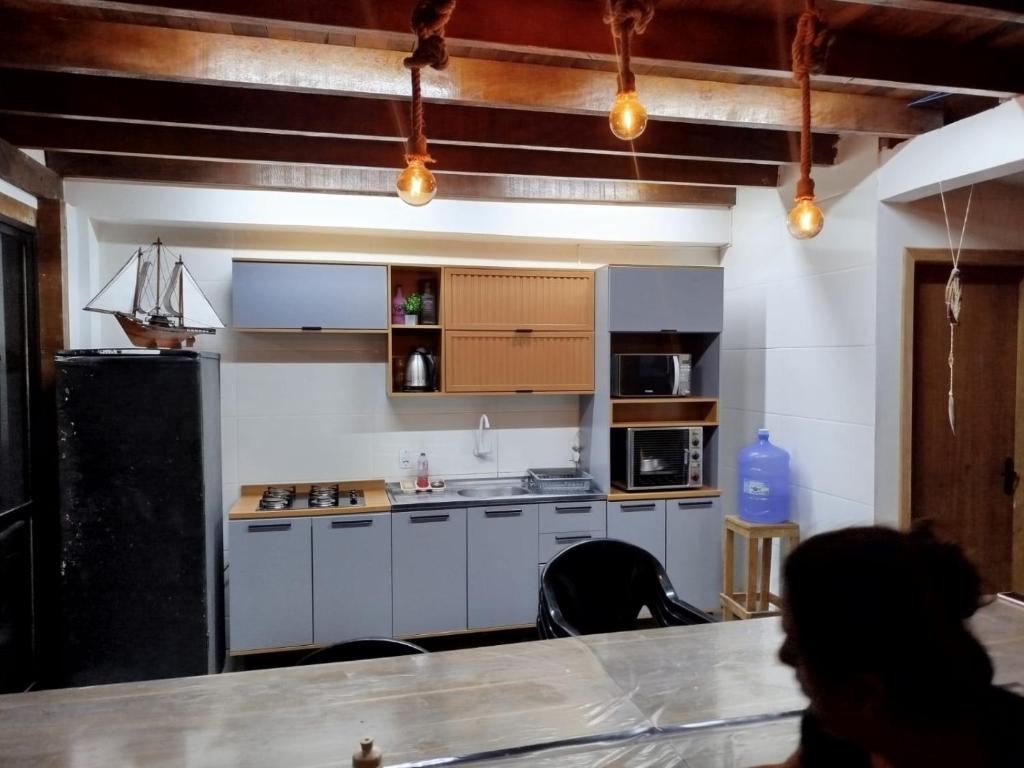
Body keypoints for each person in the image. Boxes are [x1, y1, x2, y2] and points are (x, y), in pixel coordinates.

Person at [761, 524, 1024, 768]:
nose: (783, 656)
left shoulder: (1007, 746)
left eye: (798, 642)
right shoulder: (836, 729)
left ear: (865, 692)